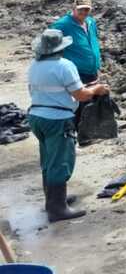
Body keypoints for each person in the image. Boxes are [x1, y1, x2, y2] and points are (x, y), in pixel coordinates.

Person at [27, 29, 110, 222]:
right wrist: (97, 88)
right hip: (57, 119)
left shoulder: (34, 65)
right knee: (60, 161)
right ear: (60, 48)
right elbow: (80, 95)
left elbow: (36, 91)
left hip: (36, 116)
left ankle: (53, 200)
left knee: (48, 159)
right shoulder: (65, 65)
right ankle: (57, 209)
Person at [51, 0, 102, 85]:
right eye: (80, 9)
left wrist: (97, 66)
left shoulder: (91, 22)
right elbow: (50, 49)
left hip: (93, 72)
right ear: (74, 8)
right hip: (75, 73)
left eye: (86, 9)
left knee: (94, 97)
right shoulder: (62, 25)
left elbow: (94, 44)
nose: (83, 12)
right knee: (81, 98)